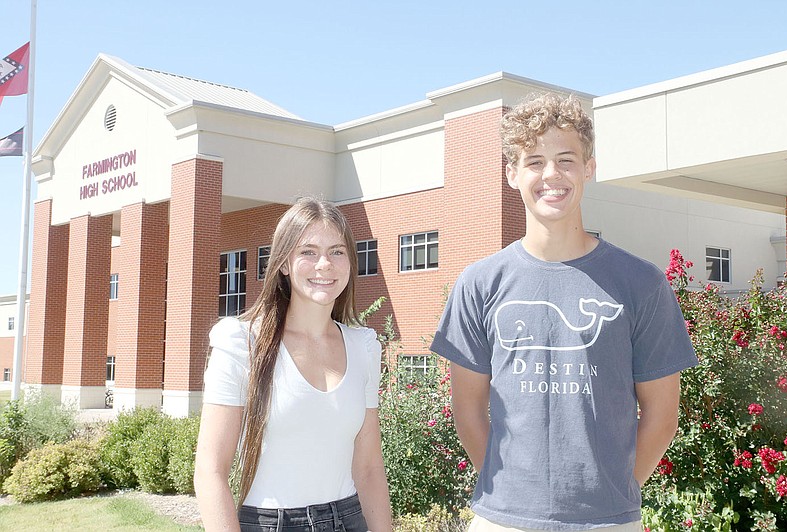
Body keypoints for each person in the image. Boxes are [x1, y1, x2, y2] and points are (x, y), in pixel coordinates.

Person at [430, 93, 698, 531]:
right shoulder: (479, 283)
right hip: (501, 520)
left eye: (566, 160)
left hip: (608, 521)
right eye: (534, 160)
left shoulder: (641, 283)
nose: (550, 174)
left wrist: (616, 490)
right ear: (511, 173)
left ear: (589, 168)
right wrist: (510, 491)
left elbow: (663, 415)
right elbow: (468, 408)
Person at [194, 197, 392, 532]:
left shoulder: (363, 348)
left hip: (349, 520)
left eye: (337, 251)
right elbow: (210, 471)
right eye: (308, 251)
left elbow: (369, 467)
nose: (324, 264)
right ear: (284, 262)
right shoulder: (242, 343)